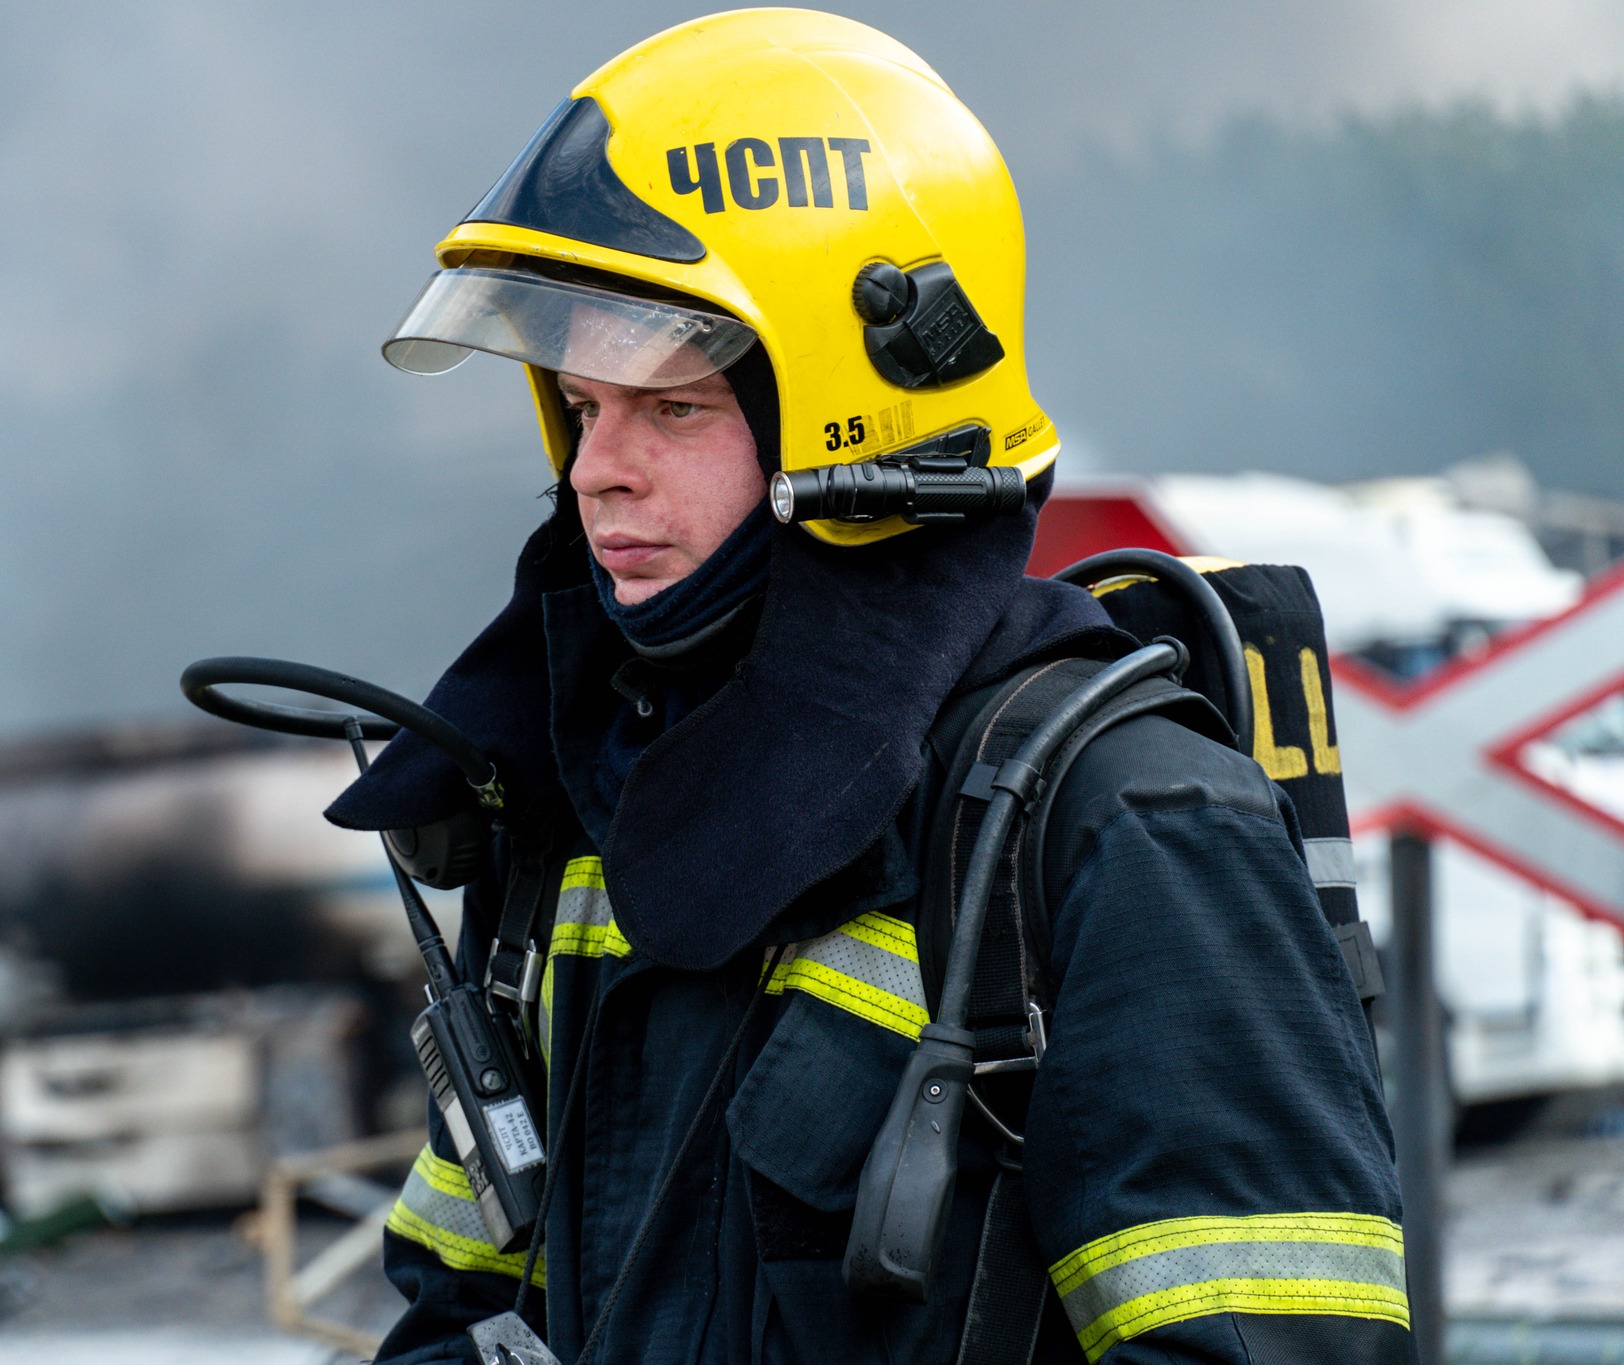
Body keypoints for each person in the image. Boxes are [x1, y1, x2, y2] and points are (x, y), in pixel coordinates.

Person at [328, 11, 1409, 1364]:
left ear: (854, 409)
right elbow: (459, 1302)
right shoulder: (579, 805)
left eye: (672, 406)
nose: (599, 467)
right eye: (581, 404)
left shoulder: (1116, 822)